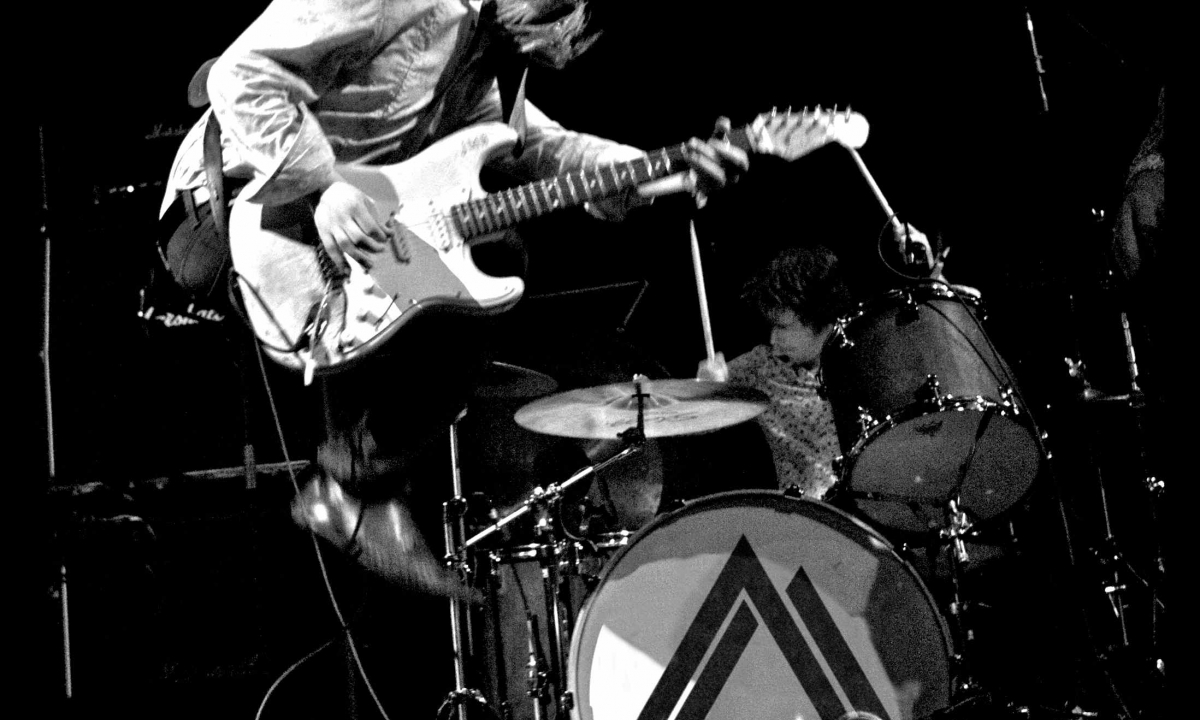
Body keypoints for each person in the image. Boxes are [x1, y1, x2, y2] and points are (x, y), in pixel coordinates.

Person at [157, 0, 749, 592]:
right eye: (558, 11)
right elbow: (239, 75)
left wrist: (647, 170)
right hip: (236, 209)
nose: (564, 29)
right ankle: (360, 485)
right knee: (497, 258)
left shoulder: (484, 46)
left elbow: (533, 145)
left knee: (488, 258)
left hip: (350, 224)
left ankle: (355, 488)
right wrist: (324, 186)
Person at [697, 224, 933, 499]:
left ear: (825, 321)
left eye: (783, 327)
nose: (773, 338)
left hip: (881, 503)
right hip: (806, 515)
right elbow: (689, 419)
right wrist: (707, 391)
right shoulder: (762, 367)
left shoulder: (868, 360)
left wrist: (930, 276)